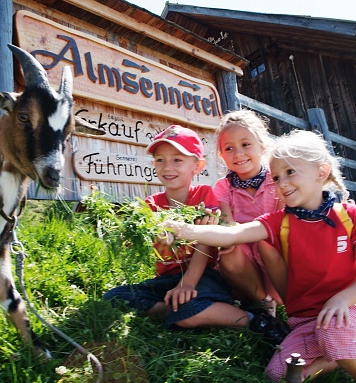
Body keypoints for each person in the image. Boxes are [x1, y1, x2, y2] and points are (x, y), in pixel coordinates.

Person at [161, 130, 356, 383]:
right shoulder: (278, 222)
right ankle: (336, 358)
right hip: (307, 320)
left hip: (350, 309)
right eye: (276, 177)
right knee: (275, 375)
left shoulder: (350, 216)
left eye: (290, 172)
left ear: (321, 172)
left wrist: (342, 300)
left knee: (334, 332)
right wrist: (183, 230)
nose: (281, 183)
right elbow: (233, 234)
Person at [102, 125, 289, 345]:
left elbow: (206, 244)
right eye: (160, 160)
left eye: (177, 160)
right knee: (113, 297)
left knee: (188, 311)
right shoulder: (150, 205)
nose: (167, 167)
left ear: (197, 166)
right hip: (167, 278)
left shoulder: (204, 197)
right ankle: (183, 309)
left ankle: (254, 321)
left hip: (205, 276)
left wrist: (188, 282)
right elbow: (139, 243)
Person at [213, 109, 284, 316]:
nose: (239, 154)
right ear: (222, 155)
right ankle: (263, 302)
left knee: (267, 242)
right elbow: (228, 224)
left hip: (275, 253)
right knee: (228, 253)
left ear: (262, 145)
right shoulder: (224, 187)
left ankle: (284, 297)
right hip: (245, 262)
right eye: (229, 148)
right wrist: (230, 235)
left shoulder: (278, 179)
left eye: (246, 144)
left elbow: (281, 222)